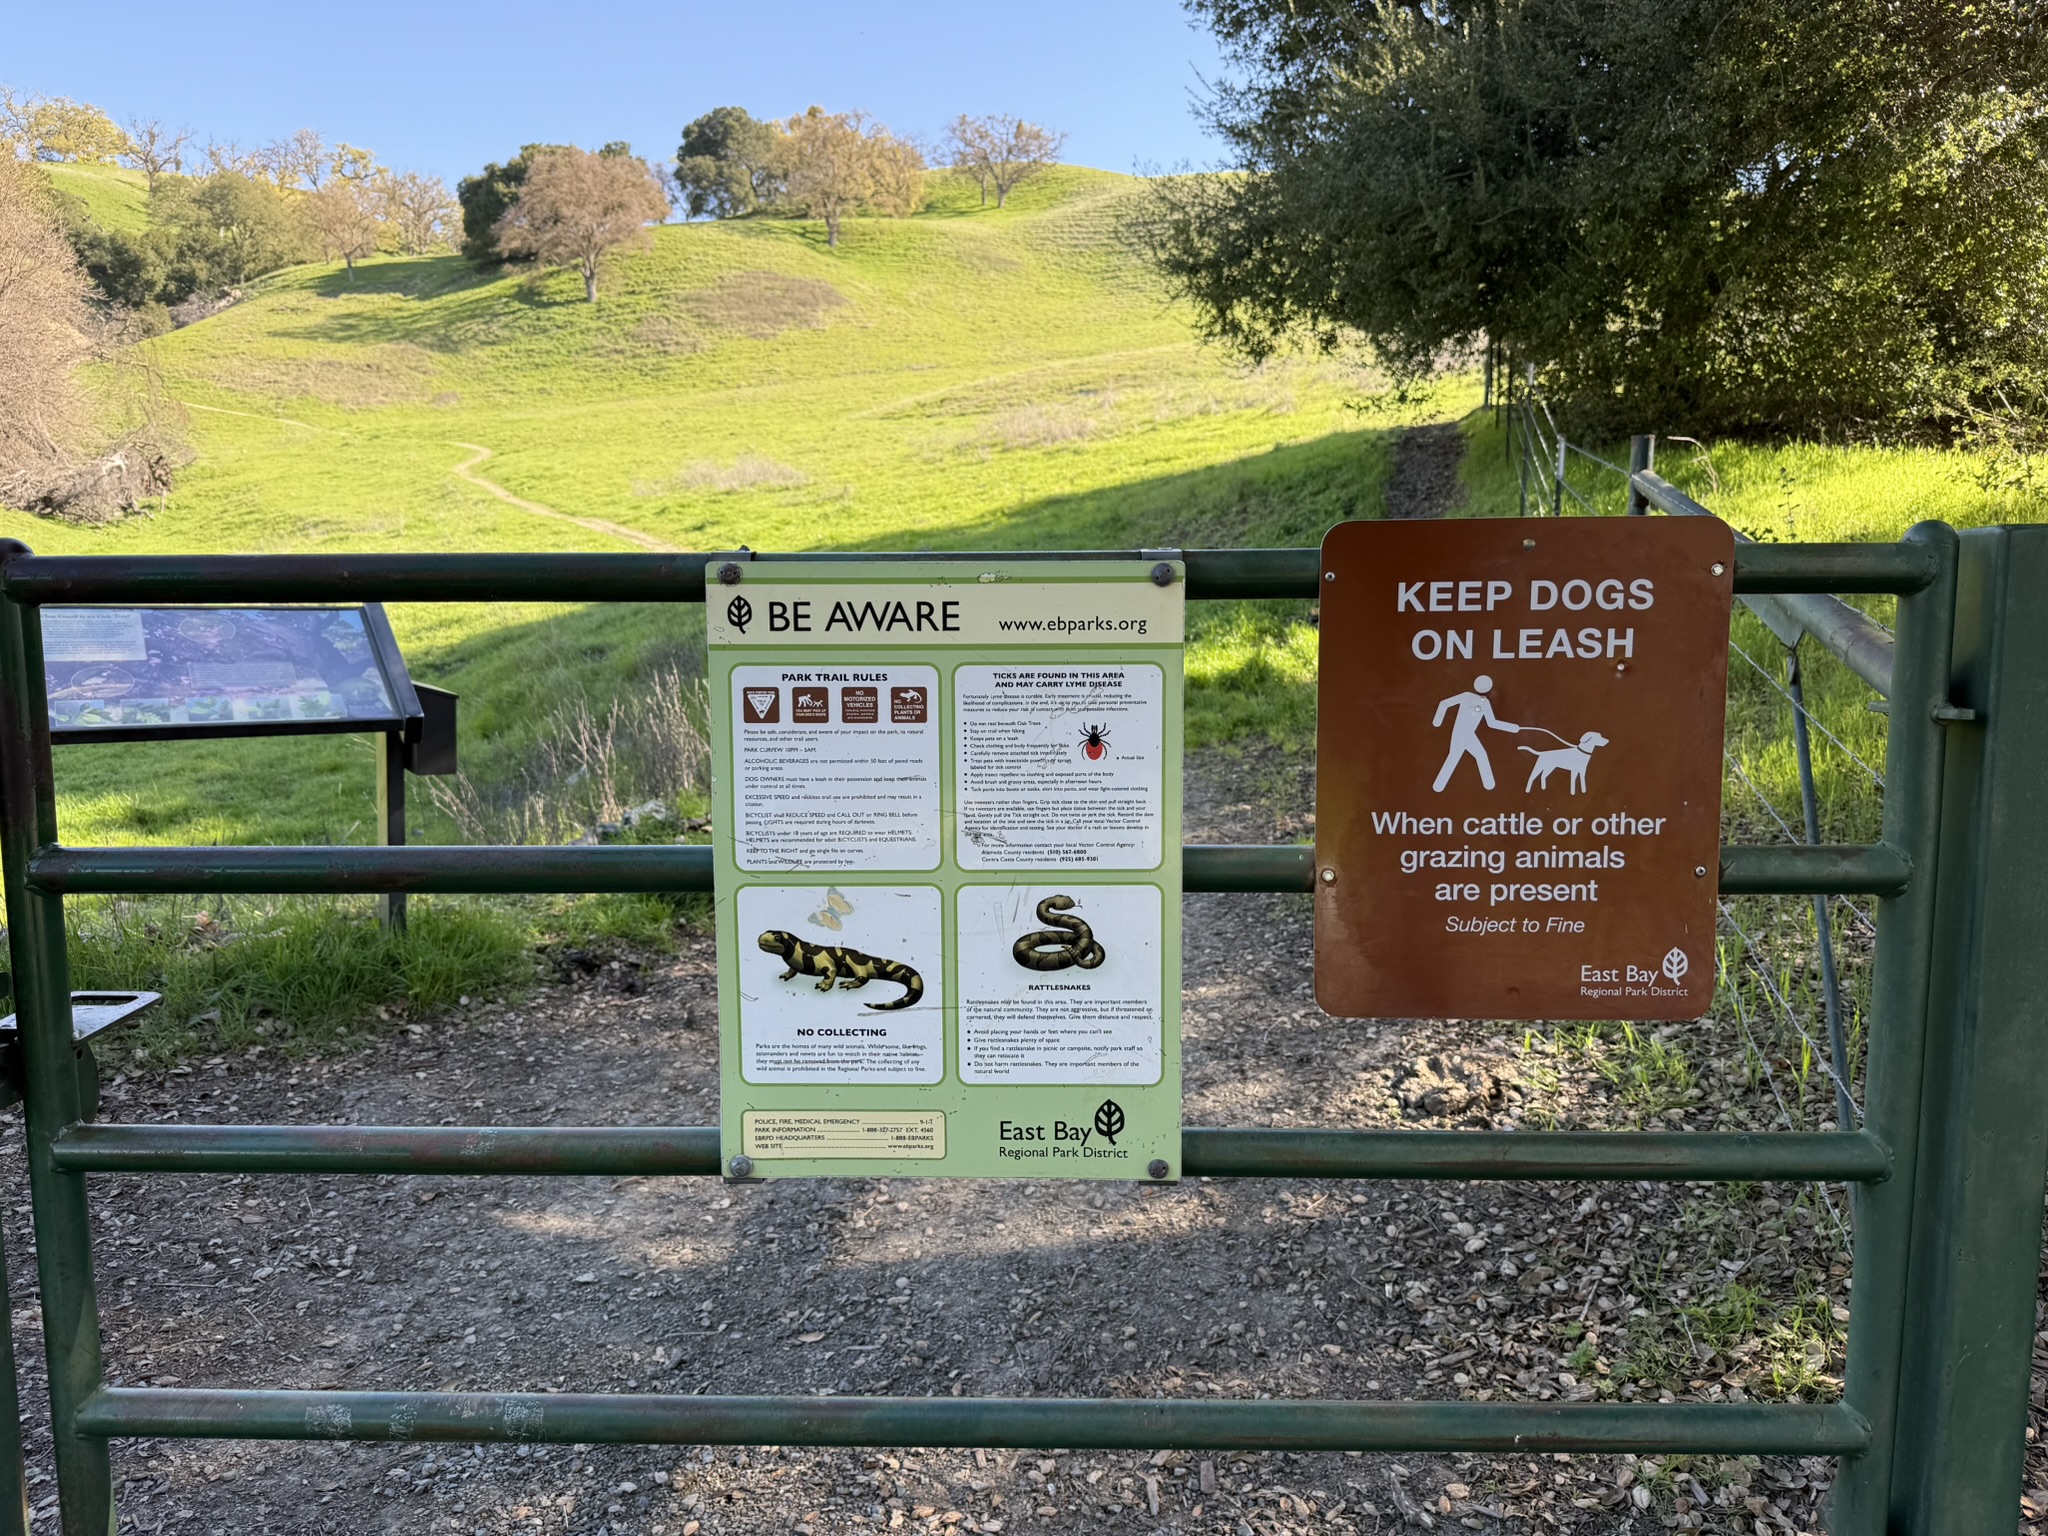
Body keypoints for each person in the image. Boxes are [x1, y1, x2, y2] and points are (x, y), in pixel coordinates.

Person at [1431, 675, 1520, 792]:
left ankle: (1489, 786)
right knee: (1457, 756)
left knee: (1476, 755)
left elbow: (1492, 723)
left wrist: (1513, 728)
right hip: (1460, 733)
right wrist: (1437, 721)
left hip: (1468, 734)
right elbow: (1444, 703)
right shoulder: (1467, 696)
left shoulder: (1485, 702)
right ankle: (1438, 787)